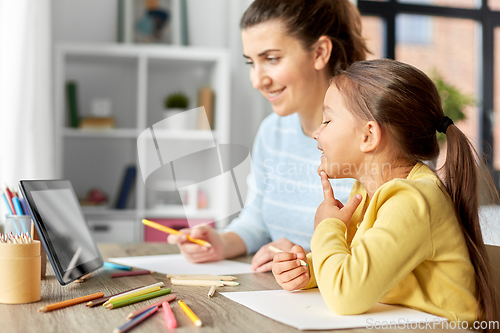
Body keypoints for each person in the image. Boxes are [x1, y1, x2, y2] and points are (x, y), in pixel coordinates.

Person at [271, 59, 498, 327]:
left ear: (368, 136)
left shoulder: (413, 200)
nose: (317, 134)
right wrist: (307, 270)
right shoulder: (366, 192)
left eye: (327, 120)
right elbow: (364, 265)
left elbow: (346, 295)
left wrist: (327, 226)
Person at [167, 0, 369, 272]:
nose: (257, 79)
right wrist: (222, 242)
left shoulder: (371, 139)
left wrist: (307, 257)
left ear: (320, 52)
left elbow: (389, 244)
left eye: (271, 59)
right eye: (252, 62)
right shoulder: (272, 132)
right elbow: (259, 216)